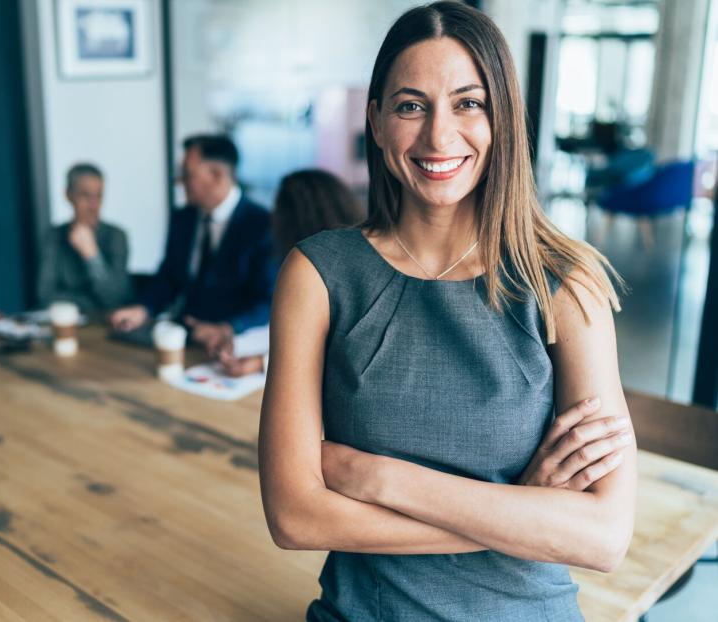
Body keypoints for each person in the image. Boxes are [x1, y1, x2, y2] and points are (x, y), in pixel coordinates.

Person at [258, 3, 637, 621]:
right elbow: (295, 517)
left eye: (469, 103)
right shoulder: (319, 275)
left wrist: (376, 478)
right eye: (411, 105)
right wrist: (523, 511)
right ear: (376, 122)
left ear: (503, 119)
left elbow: (602, 536)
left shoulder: (568, 283)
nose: (439, 136)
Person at [109, 134, 276, 354]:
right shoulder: (183, 218)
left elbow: (268, 302)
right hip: (183, 336)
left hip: (232, 348)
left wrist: (226, 328)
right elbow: (169, 276)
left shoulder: (262, 225)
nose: (180, 182)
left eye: (187, 175)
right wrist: (143, 309)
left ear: (217, 175)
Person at [217, 169, 364, 376]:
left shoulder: (327, 272)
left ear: (296, 218)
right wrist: (239, 340)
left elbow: (335, 351)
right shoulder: (331, 259)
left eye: (278, 207)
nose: (273, 215)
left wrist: (261, 363)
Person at [37, 163, 133, 315]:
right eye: (85, 196)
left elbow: (116, 299)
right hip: (65, 324)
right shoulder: (53, 236)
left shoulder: (116, 236)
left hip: (103, 327)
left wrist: (92, 255)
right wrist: (92, 303)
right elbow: (45, 296)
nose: (94, 205)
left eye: (99, 196)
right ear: (68, 195)